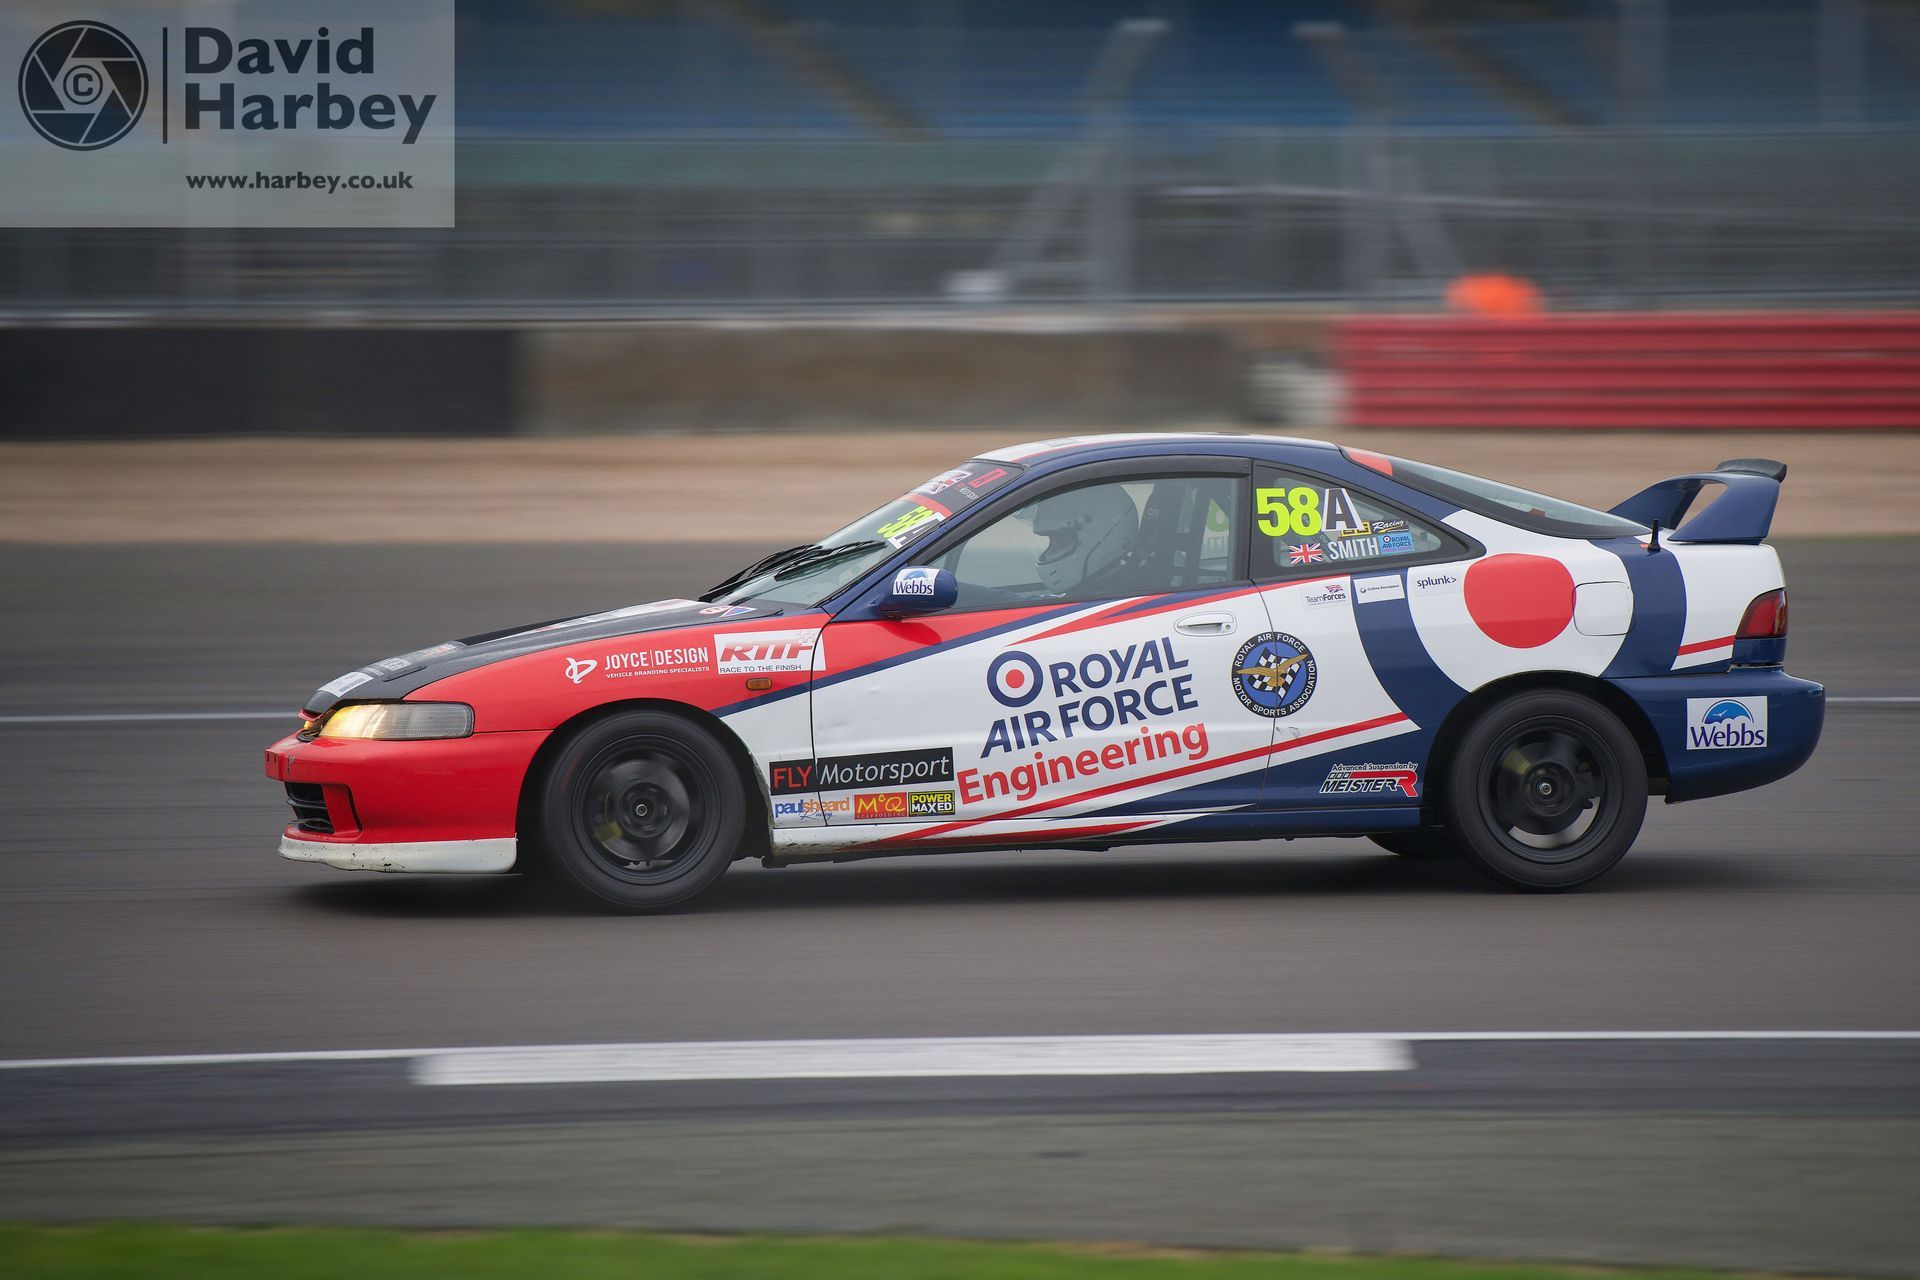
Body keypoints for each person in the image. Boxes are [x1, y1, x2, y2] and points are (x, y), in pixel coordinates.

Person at [1029, 486, 1143, 597]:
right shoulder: (1092, 591)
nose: (1047, 556)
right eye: (1052, 542)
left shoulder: (1111, 598)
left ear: (1100, 536)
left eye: (1061, 540)